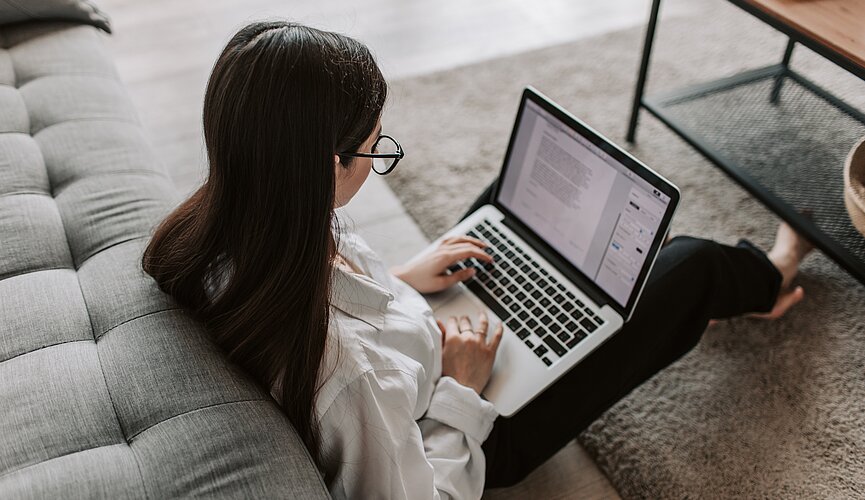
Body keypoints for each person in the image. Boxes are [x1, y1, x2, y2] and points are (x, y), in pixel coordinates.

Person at [142, 20, 813, 499]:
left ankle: (621, 270)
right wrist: (462, 386)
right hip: (469, 431)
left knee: (510, 210)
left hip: (417, 346)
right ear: (325, 165)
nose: (378, 160)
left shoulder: (234, 221)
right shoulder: (348, 380)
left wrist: (402, 280)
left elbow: (334, 305)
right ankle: (770, 275)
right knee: (692, 265)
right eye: (376, 150)